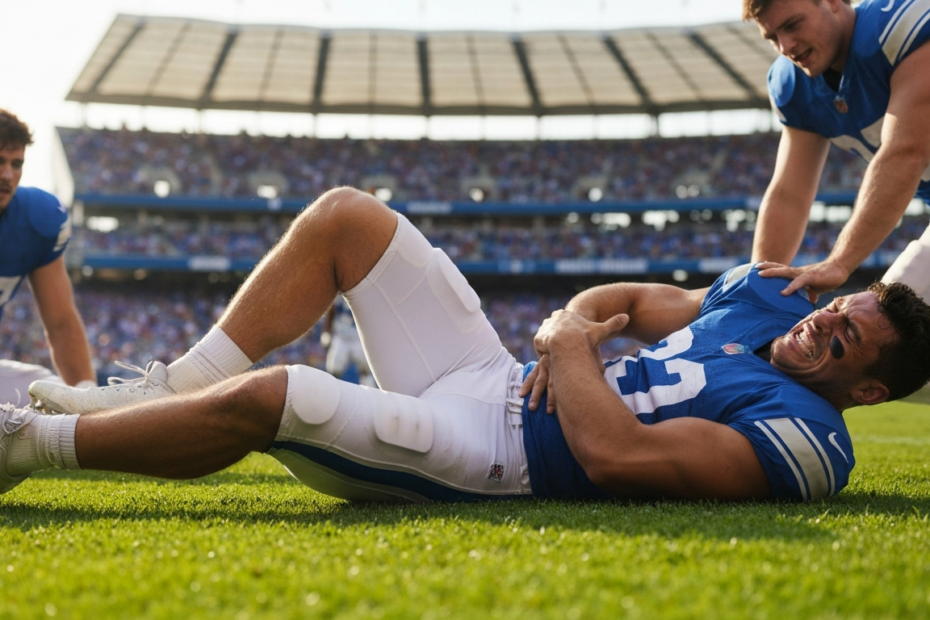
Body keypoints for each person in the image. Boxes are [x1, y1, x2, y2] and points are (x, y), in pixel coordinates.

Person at [5, 188, 930, 503]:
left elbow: (617, 454)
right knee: (348, 219)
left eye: (845, 338)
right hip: (499, 375)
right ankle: (156, 391)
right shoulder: (768, 303)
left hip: (502, 451)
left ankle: (26, 449)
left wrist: (570, 344)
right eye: (841, 304)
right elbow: (630, 298)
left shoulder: (809, 438)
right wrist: (577, 319)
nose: (823, 321)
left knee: (283, 395)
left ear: (871, 391)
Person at [745, 0, 930, 301]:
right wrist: (756, 290)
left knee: (887, 321)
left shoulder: (896, 27)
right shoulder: (793, 84)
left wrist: (839, 262)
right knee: (883, 322)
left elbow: (906, 153)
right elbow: (789, 195)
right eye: (773, 37)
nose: (786, 46)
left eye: (792, 25)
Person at [0, 108, 95, 404]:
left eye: (16, 163)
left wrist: (85, 394)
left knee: (53, 398)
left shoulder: (36, 218)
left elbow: (61, 322)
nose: (7, 174)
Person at [321, 294, 375, 387]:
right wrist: (327, 331)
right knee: (334, 369)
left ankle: (369, 395)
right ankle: (332, 392)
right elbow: (331, 311)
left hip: (358, 338)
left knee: (366, 369)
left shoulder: (360, 294)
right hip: (341, 337)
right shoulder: (337, 296)